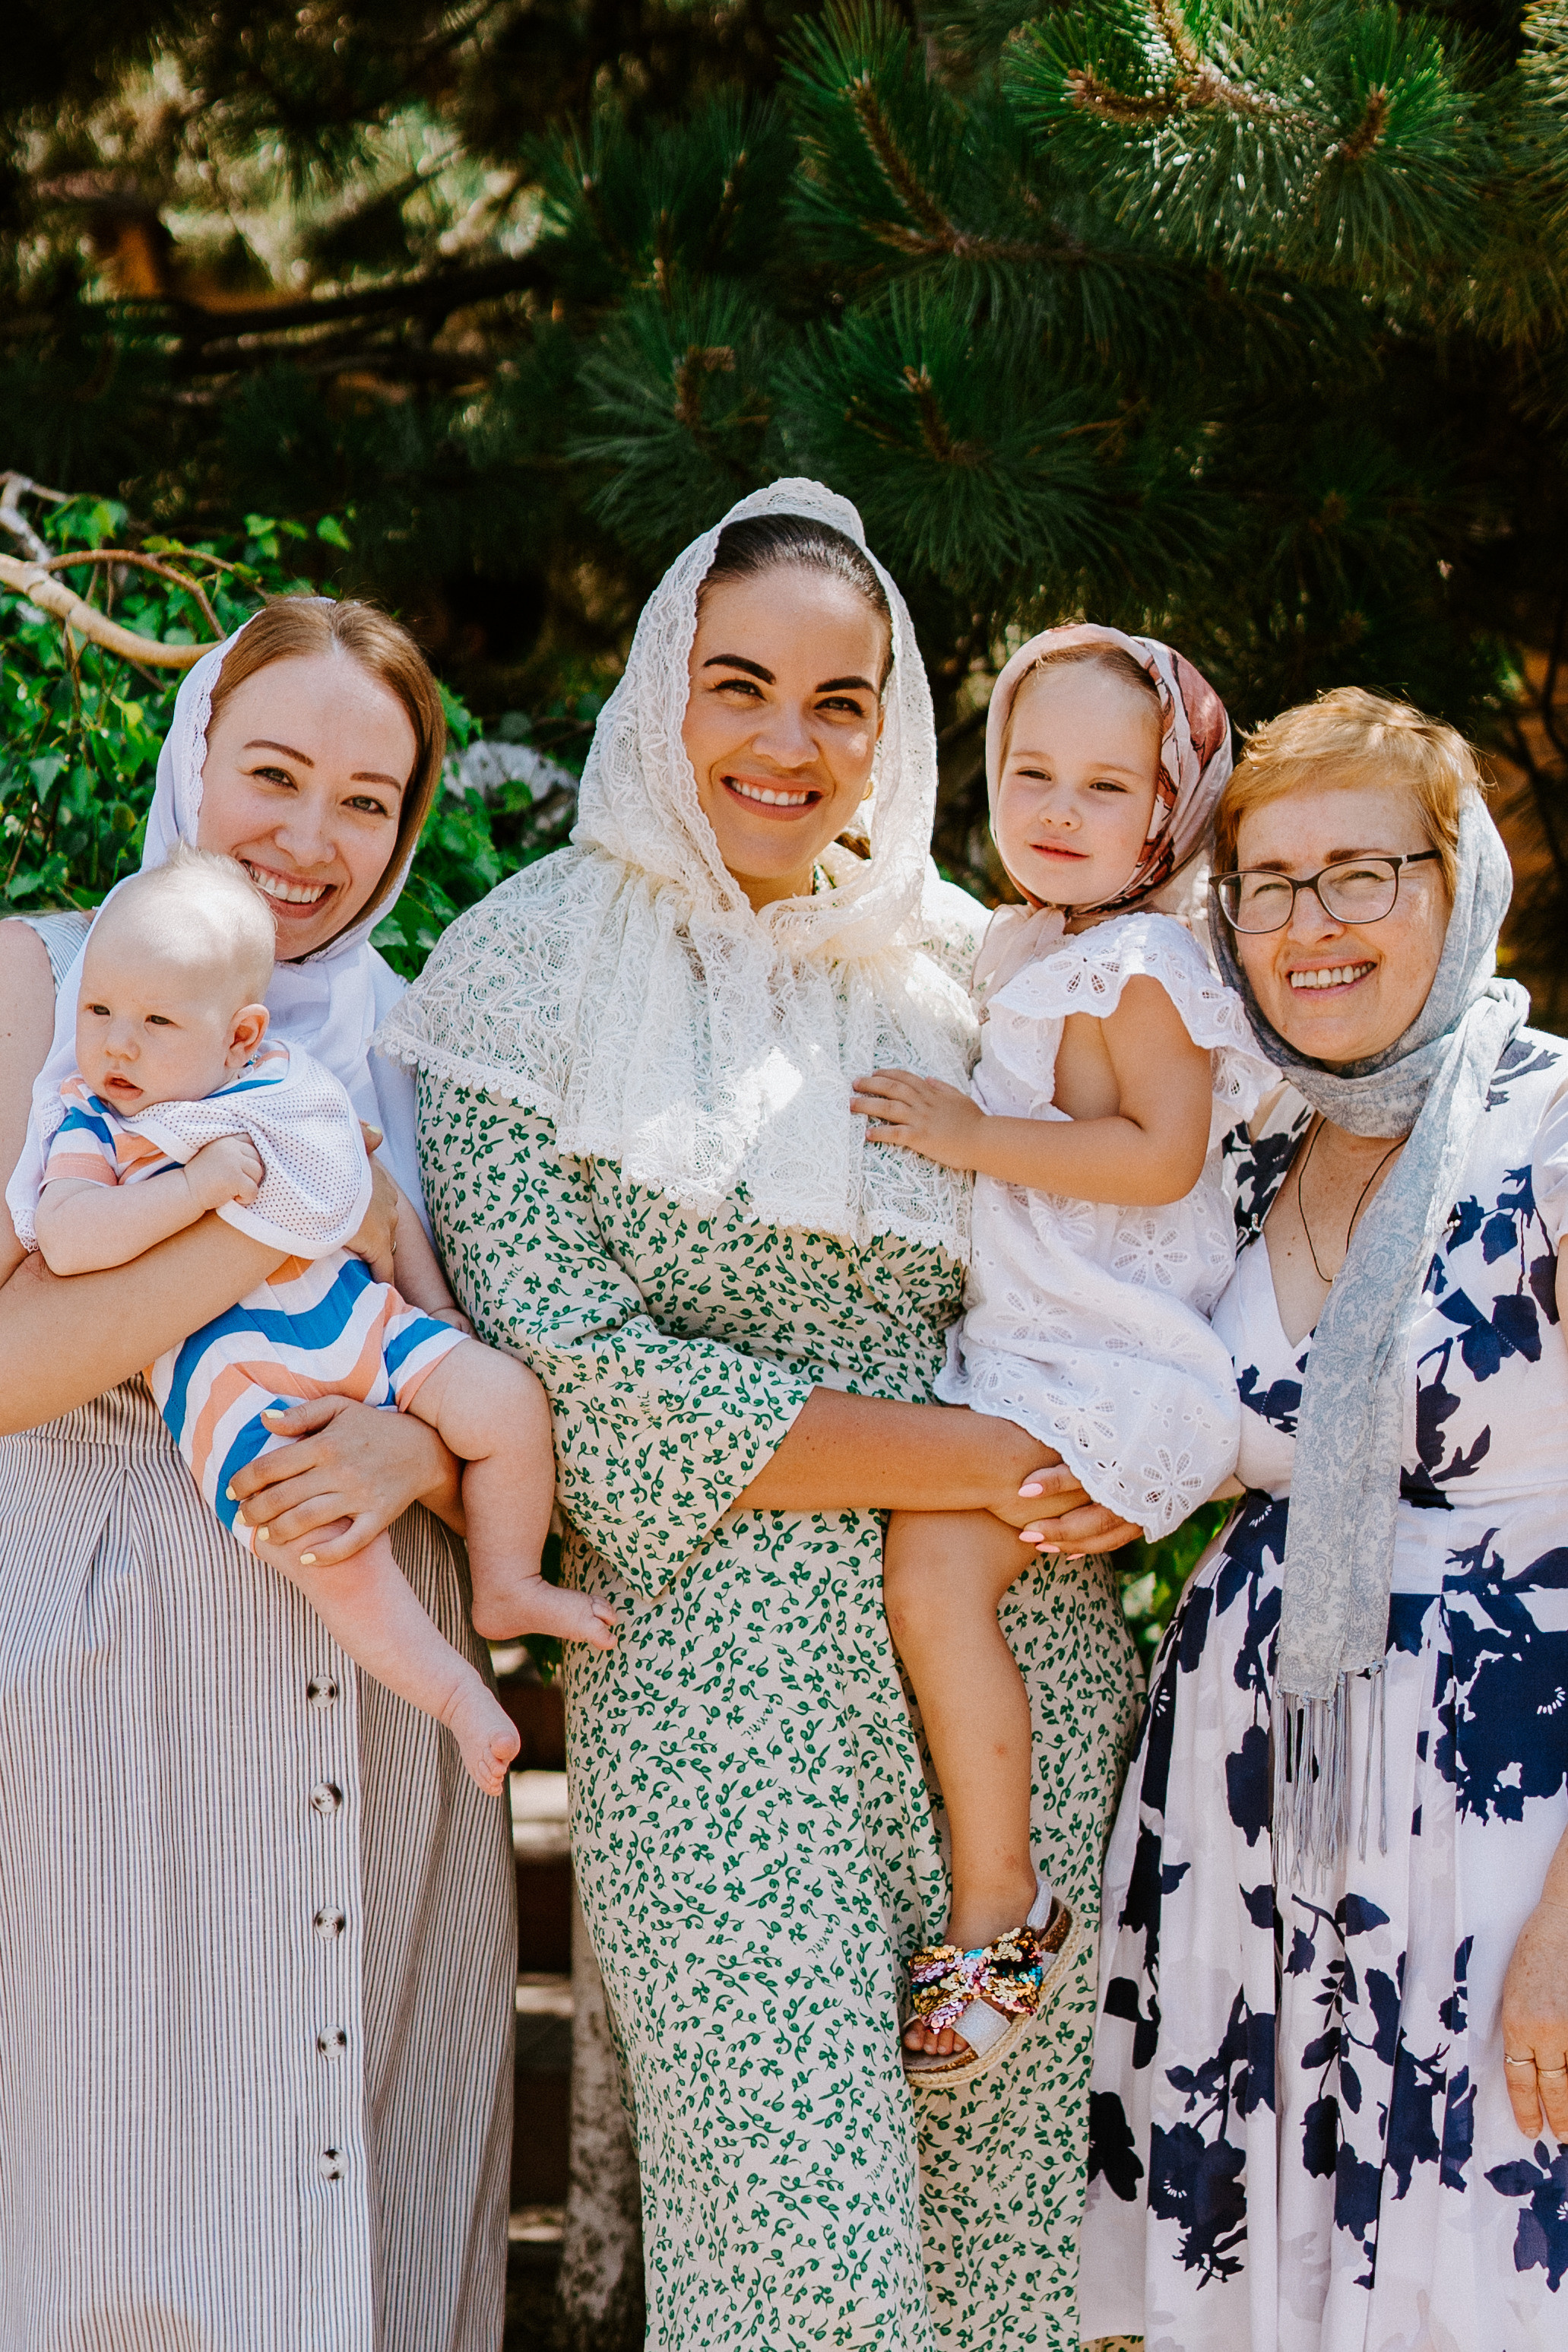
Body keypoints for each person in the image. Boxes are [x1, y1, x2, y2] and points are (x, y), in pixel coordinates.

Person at [382, 480, 1148, 2352]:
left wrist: (1143, 1459)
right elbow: (578, 1375)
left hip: (1018, 1672)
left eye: (839, 699)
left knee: (1012, 2282)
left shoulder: (981, 969)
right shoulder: (520, 968)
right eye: (739, 687)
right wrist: (973, 1459)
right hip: (719, 1689)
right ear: (662, 689)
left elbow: (1134, 1273)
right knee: (803, 2272)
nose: (786, 746)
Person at [0, 598, 515, 2347]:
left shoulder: (420, 1037)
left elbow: (495, 1380)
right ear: (192, 758)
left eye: (365, 803)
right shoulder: (45, 979)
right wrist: (275, 1199)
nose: (310, 842)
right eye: (272, 775)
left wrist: (415, 1441)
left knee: (368, 2194)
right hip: (121, 1677)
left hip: (382, 1692)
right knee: (128, 2202)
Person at [1079, 687, 1568, 2351]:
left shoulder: (1551, 1134)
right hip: (1244, 1819)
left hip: (1497, 1831)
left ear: (1460, 879)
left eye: (1359, 871)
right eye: (1267, 884)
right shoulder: (1225, 1151)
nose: (1310, 925)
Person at [854, 626, 1270, 2086]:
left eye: (1106, 784)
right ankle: (998, 1881)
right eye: (1031, 770)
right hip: (1037, 1342)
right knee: (934, 1576)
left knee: (931, 1568)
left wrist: (967, 1134)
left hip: (1114, 1353)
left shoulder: (1147, 960)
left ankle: (1001, 1896)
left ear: (1168, 811)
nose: (1056, 808)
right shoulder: (1030, 938)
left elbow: (1157, 1156)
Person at [11, 848, 612, 1795]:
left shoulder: (286, 1081)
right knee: (325, 1547)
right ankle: (453, 1693)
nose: (117, 1045)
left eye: (156, 1021)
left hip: (356, 1323)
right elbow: (73, 1238)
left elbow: (376, 1202)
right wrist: (200, 1191)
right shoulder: (96, 1122)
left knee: (502, 1396)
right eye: (97, 1012)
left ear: (242, 1034)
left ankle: (505, 1580)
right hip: (231, 1377)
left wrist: (438, 1313)